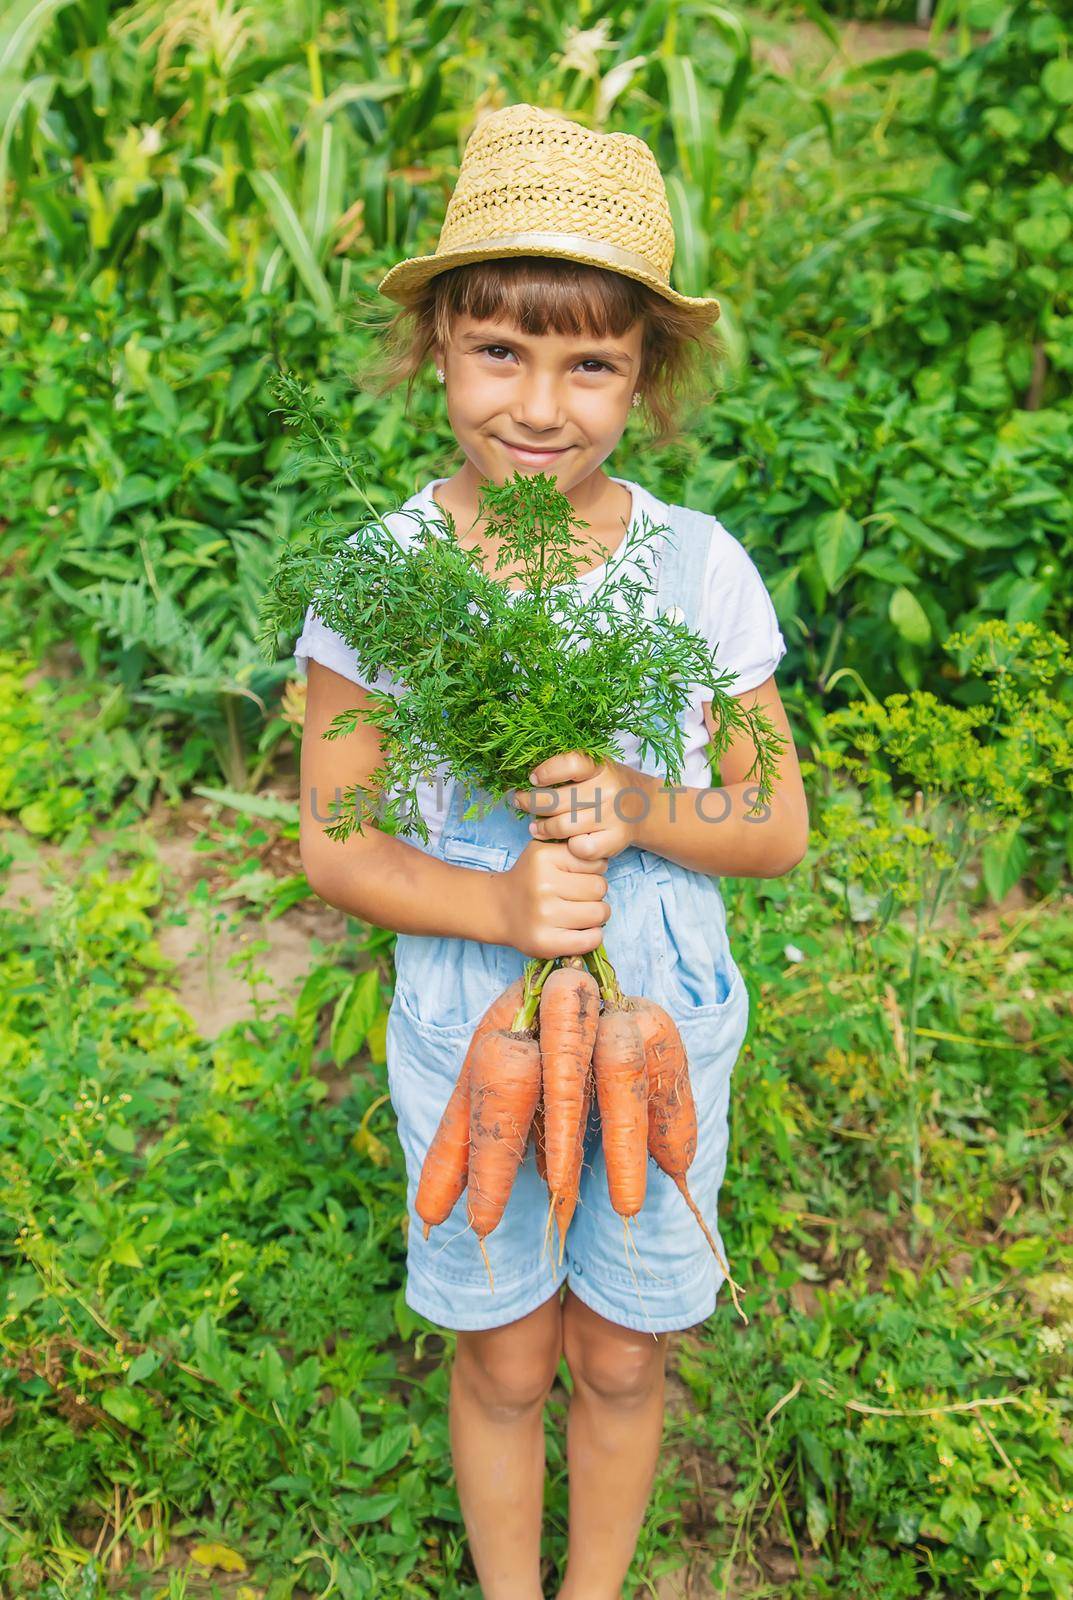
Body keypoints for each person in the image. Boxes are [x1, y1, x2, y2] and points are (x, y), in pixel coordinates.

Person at [296, 103, 809, 1600]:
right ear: (437, 350)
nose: (540, 403)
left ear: (644, 375)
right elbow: (336, 848)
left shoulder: (698, 564)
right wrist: (506, 903)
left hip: (652, 1010)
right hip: (476, 1016)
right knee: (507, 1355)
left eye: (588, 361)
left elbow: (772, 823)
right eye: (499, 351)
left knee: (623, 1350)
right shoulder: (384, 576)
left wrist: (630, 809)